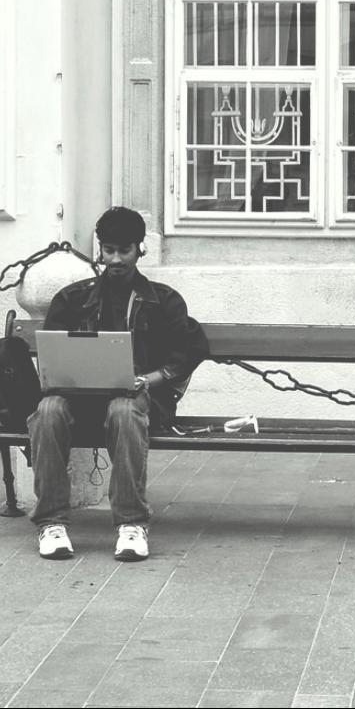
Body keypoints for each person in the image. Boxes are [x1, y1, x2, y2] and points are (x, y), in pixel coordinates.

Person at [28, 207, 208, 561]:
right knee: (48, 410)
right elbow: (53, 352)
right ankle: (51, 523)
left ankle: (131, 524)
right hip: (79, 397)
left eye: (124, 250)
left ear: (140, 249)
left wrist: (149, 380)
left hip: (140, 400)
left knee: (124, 410)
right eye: (108, 250)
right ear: (99, 249)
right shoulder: (73, 298)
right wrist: (62, 377)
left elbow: (189, 351)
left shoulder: (163, 300)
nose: (115, 259)